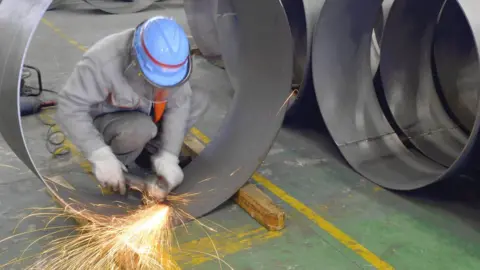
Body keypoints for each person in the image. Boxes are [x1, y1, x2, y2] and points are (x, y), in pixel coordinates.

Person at [56, 16, 208, 200]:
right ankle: (117, 168)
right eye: (156, 81)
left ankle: (151, 155)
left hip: (149, 110)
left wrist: (170, 154)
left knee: (197, 98)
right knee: (139, 129)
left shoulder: (173, 60)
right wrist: (99, 154)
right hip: (112, 122)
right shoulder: (103, 61)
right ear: (136, 61)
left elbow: (180, 105)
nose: (163, 89)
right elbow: (69, 107)